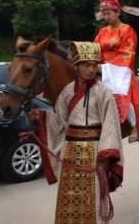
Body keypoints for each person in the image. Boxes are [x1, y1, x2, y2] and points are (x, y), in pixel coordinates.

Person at [32, 42, 124, 223]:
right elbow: (57, 120)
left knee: (93, 197)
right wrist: (41, 117)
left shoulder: (104, 92)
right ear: (76, 66)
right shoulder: (67, 92)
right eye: (85, 65)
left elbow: (111, 125)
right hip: (70, 153)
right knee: (69, 197)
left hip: (95, 151)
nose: (91, 70)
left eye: (94, 65)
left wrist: (105, 157)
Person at [94, 0, 139, 143]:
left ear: (118, 12)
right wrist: (92, 63)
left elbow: (127, 53)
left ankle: (134, 125)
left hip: (119, 70)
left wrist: (104, 67)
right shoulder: (102, 32)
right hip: (101, 67)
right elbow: (95, 48)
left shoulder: (127, 30)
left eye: (109, 13)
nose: (106, 17)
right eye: (104, 14)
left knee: (120, 92)